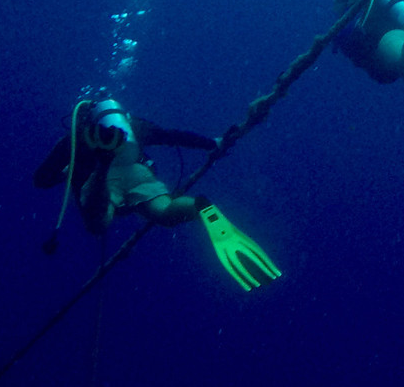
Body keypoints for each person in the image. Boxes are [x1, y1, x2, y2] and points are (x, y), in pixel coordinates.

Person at [34, 98, 280, 291]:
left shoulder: (74, 140)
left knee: (99, 223)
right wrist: (213, 142)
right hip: (137, 173)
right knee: (165, 213)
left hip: (103, 181)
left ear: (84, 120)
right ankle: (200, 206)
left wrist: (68, 172)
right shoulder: (132, 126)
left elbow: (40, 180)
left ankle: (103, 165)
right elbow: (170, 136)